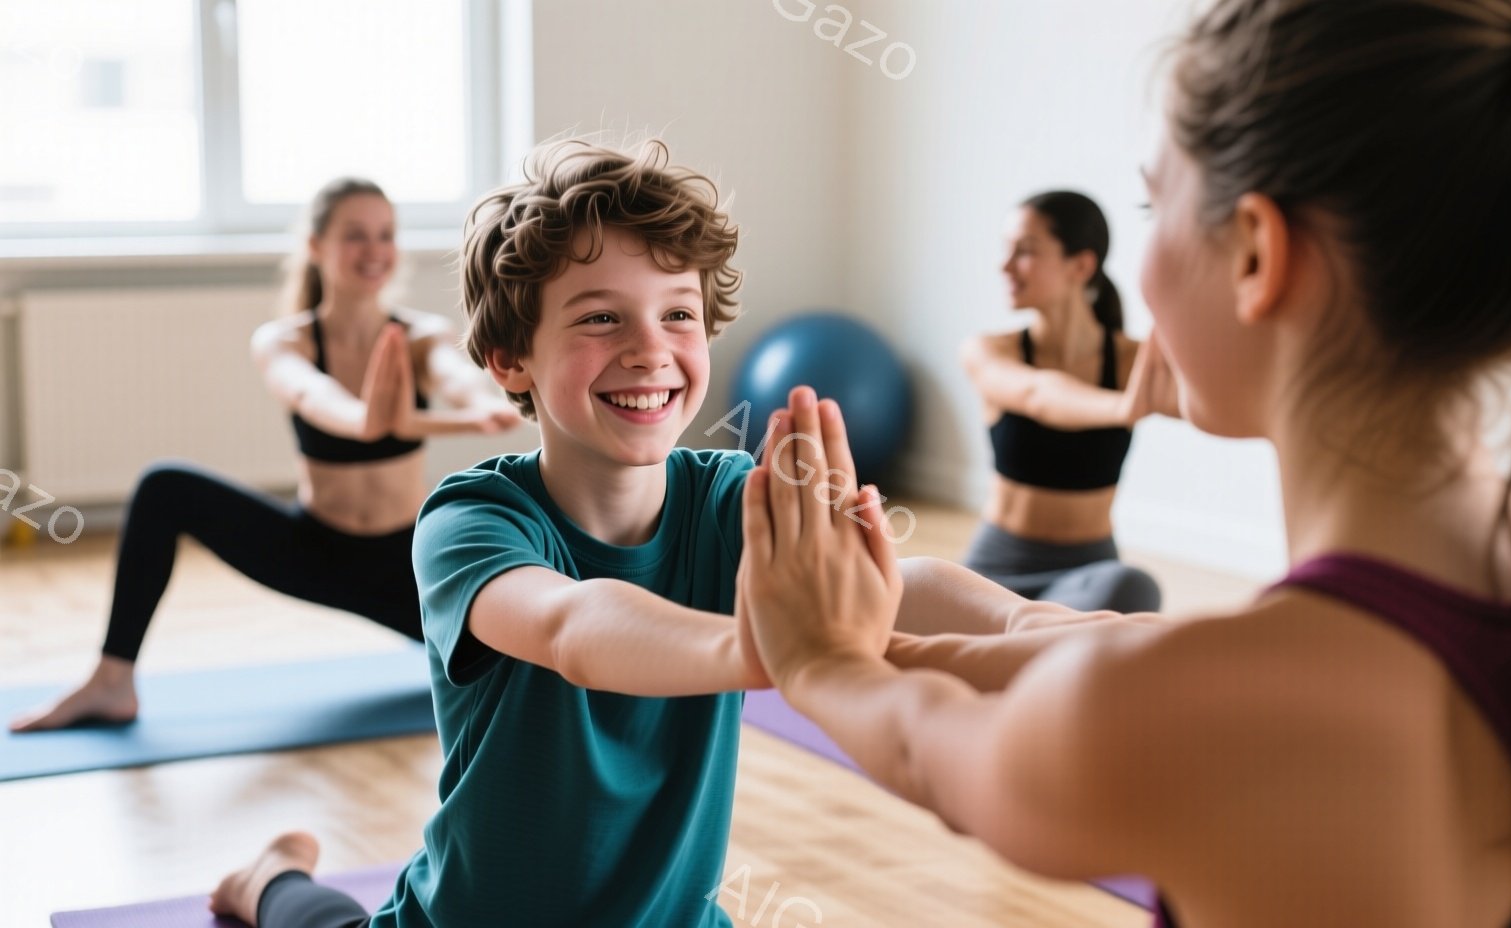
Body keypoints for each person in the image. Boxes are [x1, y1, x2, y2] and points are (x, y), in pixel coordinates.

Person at [737, 2, 1511, 926]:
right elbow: (1123, 652)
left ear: (1257, 252)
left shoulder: (1217, 709)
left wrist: (823, 661)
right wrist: (902, 634)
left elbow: (930, 748)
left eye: (1155, 204)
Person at [201, 138, 817, 928]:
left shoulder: (733, 500)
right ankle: (271, 877)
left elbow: (897, 587)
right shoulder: (471, 521)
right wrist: (762, 649)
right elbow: (572, 628)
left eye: (678, 315)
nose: (650, 350)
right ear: (510, 357)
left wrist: (1018, 626)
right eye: (602, 317)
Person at [9, 177, 520, 733]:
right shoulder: (285, 340)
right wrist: (373, 421)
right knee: (165, 487)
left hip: (408, 568)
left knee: (514, 670)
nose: (374, 251)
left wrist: (479, 407)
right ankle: (112, 680)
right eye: (355, 236)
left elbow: (464, 383)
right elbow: (320, 400)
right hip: (313, 552)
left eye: (385, 235)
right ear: (316, 246)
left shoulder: (421, 337)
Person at [954, 191, 1173, 620]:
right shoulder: (989, 351)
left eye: (1025, 251)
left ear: (1082, 266)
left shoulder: (1132, 361)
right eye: (1006, 250)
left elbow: (1212, 399)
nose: (1005, 265)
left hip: (1086, 576)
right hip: (996, 570)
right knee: (909, 589)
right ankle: (1044, 649)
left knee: (1132, 587)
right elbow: (1039, 394)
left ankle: (1027, 647)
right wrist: (1123, 409)